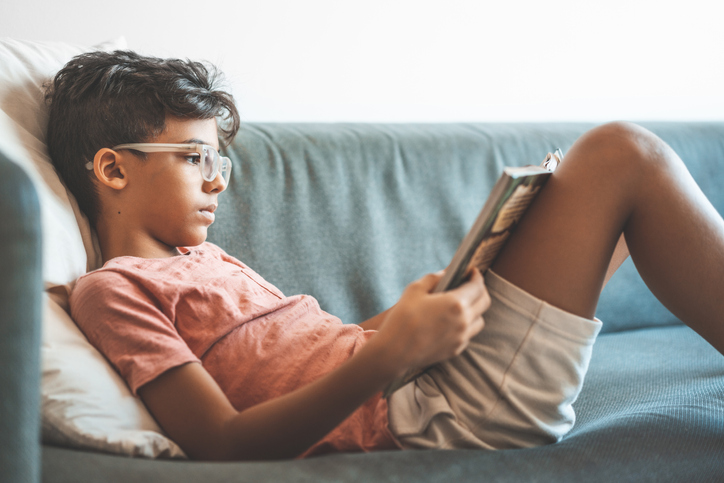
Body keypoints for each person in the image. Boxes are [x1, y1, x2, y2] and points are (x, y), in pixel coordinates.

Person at [46, 50, 724, 461]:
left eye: (218, 159)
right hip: (430, 413)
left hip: (421, 377)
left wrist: (398, 319)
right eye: (196, 158)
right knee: (622, 155)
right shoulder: (112, 291)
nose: (218, 178)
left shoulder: (207, 259)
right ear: (112, 169)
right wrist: (391, 352)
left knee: (583, 193)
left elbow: (316, 350)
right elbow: (222, 442)